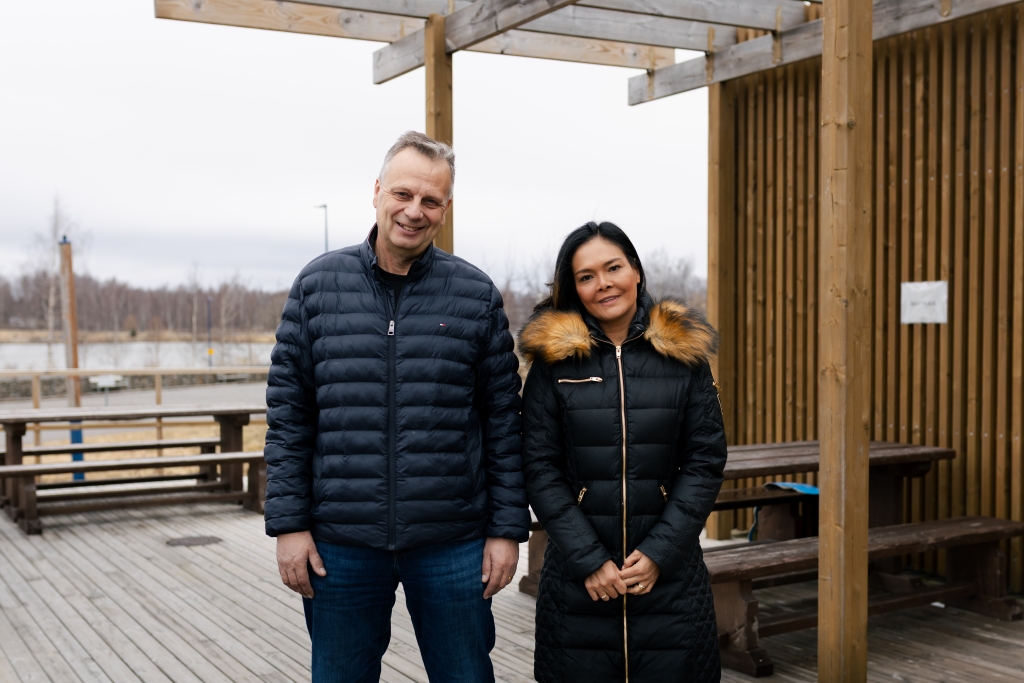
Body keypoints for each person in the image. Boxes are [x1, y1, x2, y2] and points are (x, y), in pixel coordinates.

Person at [264, 130, 530, 683]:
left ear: (445, 210)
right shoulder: (317, 286)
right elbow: (289, 418)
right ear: (377, 192)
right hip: (341, 543)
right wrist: (289, 526)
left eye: (431, 200)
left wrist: (506, 530)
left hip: (453, 542)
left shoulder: (475, 295)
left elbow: (504, 422)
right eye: (403, 194)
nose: (414, 211)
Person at [518, 221, 727, 683]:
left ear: (635, 270)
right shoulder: (553, 361)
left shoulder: (683, 354)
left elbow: (705, 461)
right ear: (574, 287)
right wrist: (589, 559)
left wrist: (659, 552)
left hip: (670, 579)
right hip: (579, 583)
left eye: (613, 268)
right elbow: (539, 466)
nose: (603, 283)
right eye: (586, 276)